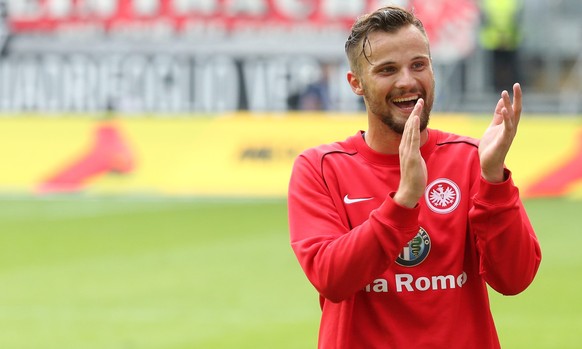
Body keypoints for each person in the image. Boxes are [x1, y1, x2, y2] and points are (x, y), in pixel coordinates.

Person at [287, 6, 541, 349]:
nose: (407, 80)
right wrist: (404, 201)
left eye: (418, 65)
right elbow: (331, 278)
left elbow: (515, 278)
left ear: (432, 70)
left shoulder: (471, 159)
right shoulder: (321, 167)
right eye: (387, 69)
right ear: (356, 83)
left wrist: (494, 179)